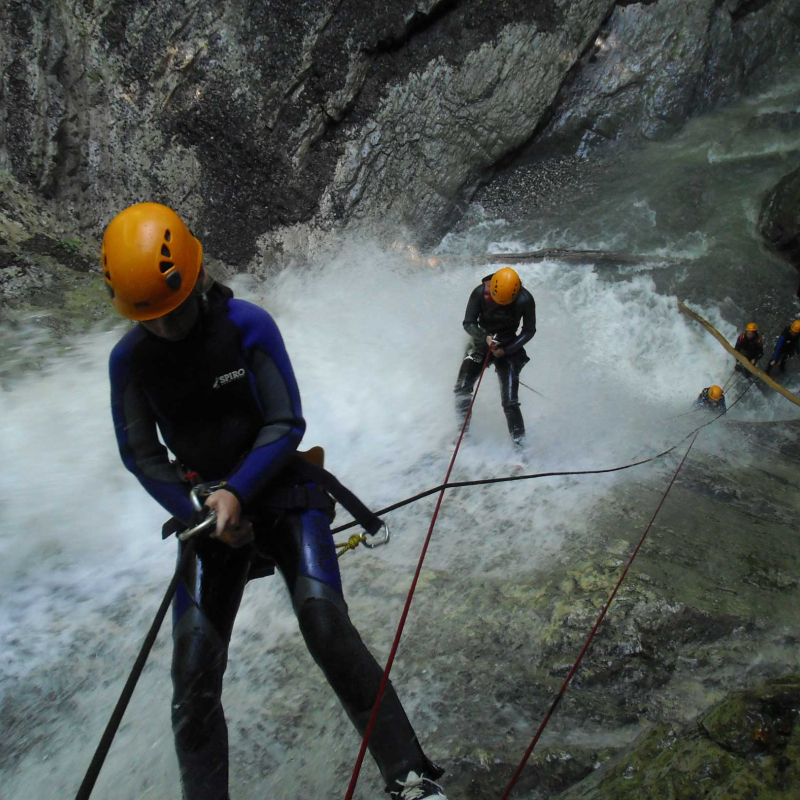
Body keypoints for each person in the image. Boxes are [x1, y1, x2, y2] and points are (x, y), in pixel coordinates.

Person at [103, 203, 448, 800]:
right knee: (192, 678)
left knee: (326, 626)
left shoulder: (247, 325)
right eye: (150, 318)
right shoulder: (129, 361)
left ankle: (411, 777)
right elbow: (141, 455)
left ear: (194, 276)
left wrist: (238, 492)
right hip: (206, 514)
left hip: (282, 494)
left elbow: (285, 423)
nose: (165, 327)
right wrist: (201, 511)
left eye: (174, 309)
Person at [454, 267, 536, 446]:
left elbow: (529, 330)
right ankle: (462, 434)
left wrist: (506, 350)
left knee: (510, 402)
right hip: (480, 341)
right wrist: (484, 337)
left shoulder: (525, 299)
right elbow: (468, 323)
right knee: (461, 388)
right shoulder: (480, 292)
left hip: (508, 346)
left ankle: (520, 448)